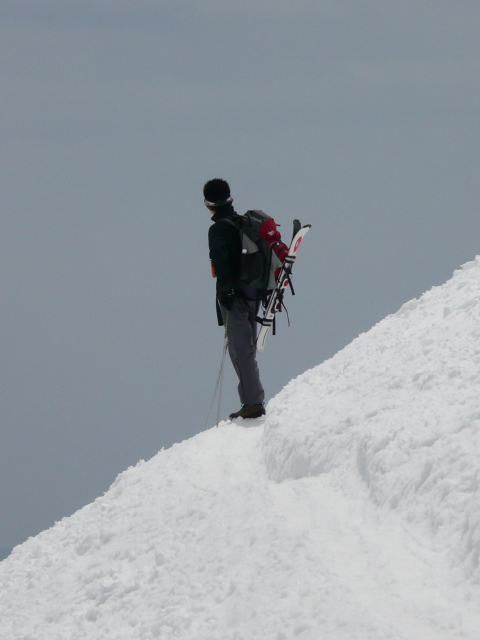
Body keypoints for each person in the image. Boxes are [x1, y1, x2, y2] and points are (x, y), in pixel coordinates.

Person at [204, 178, 266, 420]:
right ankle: (252, 399)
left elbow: (221, 262)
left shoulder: (218, 229)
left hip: (234, 299)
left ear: (208, 205)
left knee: (241, 351)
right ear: (230, 198)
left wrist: (226, 293)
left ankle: (252, 403)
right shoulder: (243, 223)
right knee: (246, 350)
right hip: (253, 295)